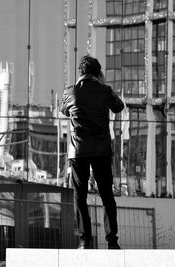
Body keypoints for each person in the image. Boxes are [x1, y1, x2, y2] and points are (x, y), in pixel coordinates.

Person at [60, 55, 124, 249]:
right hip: (101, 150)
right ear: (99, 73)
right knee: (106, 195)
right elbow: (119, 107)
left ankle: (84, 240)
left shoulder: (70, 92)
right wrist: (103, 85)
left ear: (80, 73)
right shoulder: (105, 91)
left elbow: (64, 111)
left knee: (80, 195)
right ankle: (112, 240)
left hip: (78, 151)